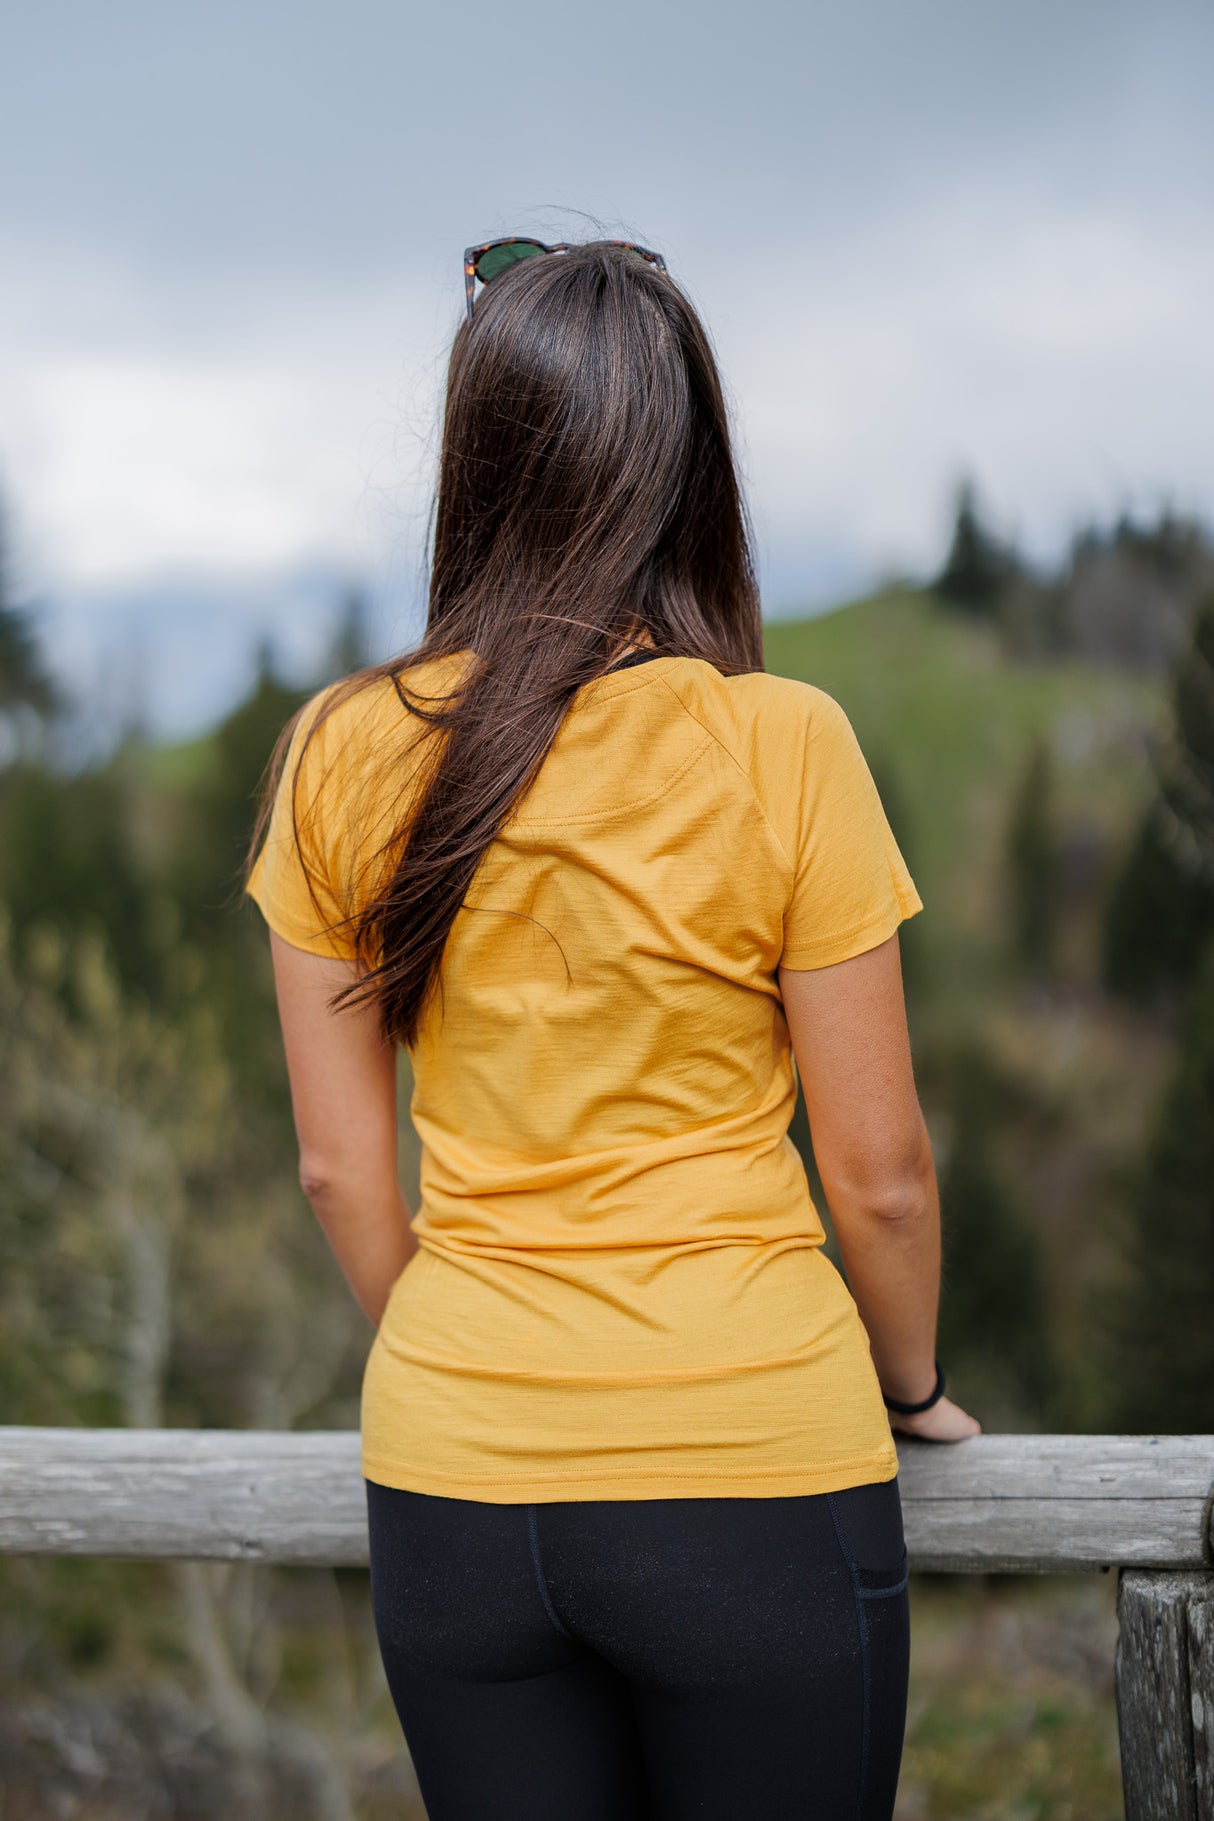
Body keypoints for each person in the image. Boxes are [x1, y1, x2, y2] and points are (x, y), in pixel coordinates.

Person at [245, 235, 981, 1821]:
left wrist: (473, 1358)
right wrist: (909, 1385)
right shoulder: (781, 741)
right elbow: (882, 1176)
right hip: (752, 1463)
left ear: (477, 461)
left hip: (455, 1479)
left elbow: (335, 1170)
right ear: (682, 469)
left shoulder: (342, 750)